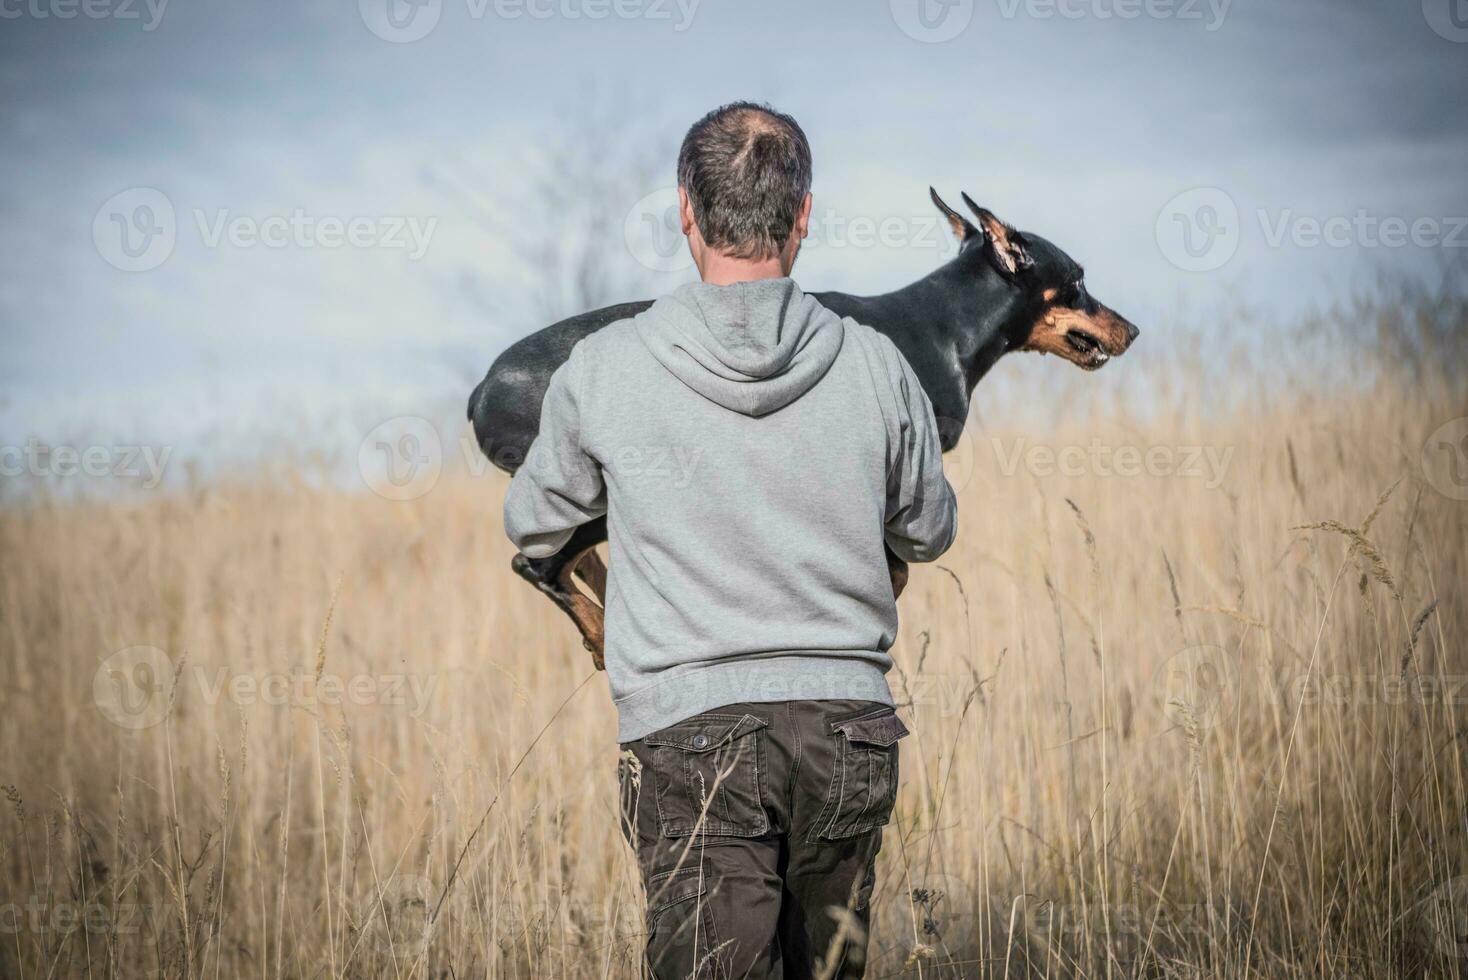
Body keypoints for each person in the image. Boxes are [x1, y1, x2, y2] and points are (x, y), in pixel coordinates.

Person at [503, 101, 957, 978]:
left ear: (686, 212)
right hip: (848, 732)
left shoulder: (605, 368)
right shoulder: (875, 363)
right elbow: (930, 530)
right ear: (803, 215)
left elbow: (532, 522)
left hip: (689, 734)